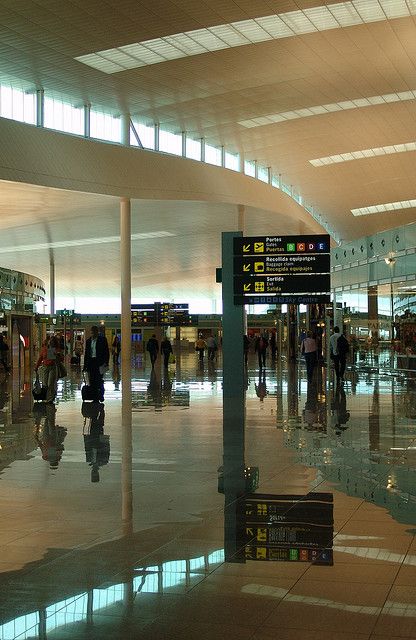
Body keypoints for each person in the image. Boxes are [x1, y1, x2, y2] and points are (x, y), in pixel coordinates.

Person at [83, 326, 110, 402]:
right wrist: (85, 366)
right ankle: (95, 397)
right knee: (92, 380)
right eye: (91, 333)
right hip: (91, 362)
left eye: (94, 332)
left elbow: (106, 352)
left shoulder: (102, 340)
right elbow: (87, 353)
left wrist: (106, 362)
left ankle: (101, 395)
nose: (92, 334)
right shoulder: (88, 341)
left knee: (99, 379)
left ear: (97, 332)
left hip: (99, 362)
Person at [35, 335, 62, 403]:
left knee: (50, 383)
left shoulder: (55, 349)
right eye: (50, 341)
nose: (51, 343)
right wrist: (36, 367)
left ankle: (50, 399)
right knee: (45, 384)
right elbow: (40, 358)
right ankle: (47, 396)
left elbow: (60, 359)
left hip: (52, 367)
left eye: (53, 342)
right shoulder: (45, 349)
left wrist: (57, 355)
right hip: (45, 368)